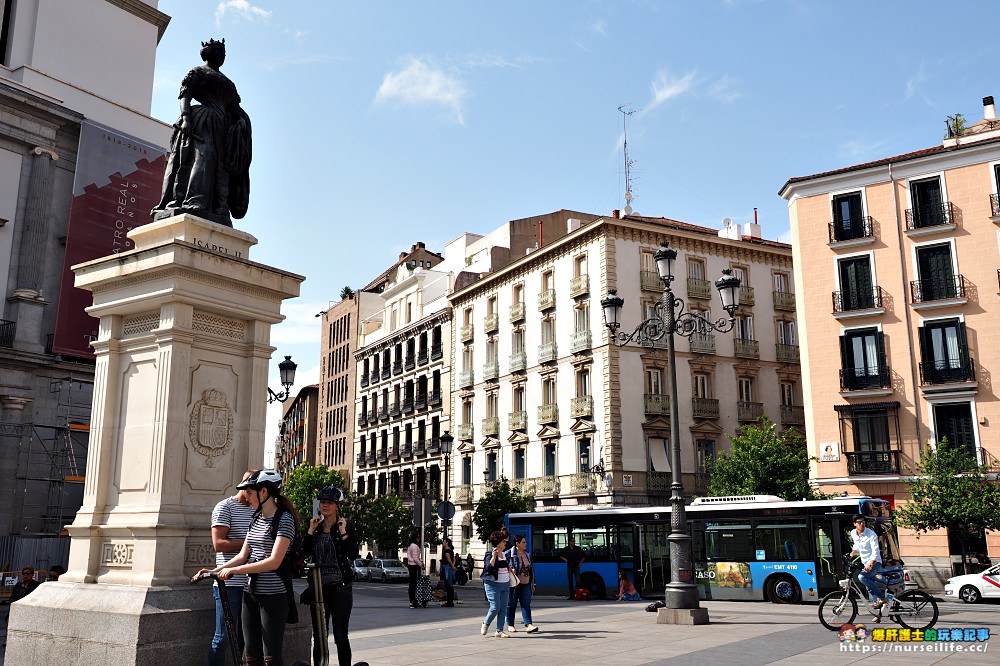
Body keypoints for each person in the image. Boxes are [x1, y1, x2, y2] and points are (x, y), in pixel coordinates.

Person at [196, 469, 298, 665]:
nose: (247, 496)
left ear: (265, 492)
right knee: (251, 656)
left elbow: (274, 561)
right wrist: (214, 571)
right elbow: (244, 555)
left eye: (250, 492)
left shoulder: (284, 519)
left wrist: (235, 571)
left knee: (271, 657)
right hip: (250, 592)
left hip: (274, 595)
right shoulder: (255, 519)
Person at [153, 38, 251, 227]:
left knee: (222, 167)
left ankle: (218, 207)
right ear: (208, 53)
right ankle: (194, 200)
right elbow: (185, 95)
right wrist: (186, 117)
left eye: (223, 52)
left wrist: (241, 122)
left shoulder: (228, 82)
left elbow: (234, 108)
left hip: (223, 127)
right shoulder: (198, 72)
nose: (222, 55)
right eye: (219, 51)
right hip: (202, 121)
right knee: (203, 157)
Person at [303, 485, 359, 666]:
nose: (325, 505)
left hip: (341, 588)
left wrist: (343, 533)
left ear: (337, 505)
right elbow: (303, 553)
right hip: (319, 589)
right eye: (322, 502)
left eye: (329, 502)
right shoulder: (316, 527)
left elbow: (353, 554)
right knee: (319, 635)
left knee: (341, 636)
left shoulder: (346, 526)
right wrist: (310, 531)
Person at [207, 468, 257, 666]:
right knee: (223, 637)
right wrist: (250, 542)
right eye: (255, 489)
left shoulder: (258, 509)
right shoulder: (225, 507)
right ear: (246, 488)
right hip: (229, 583)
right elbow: (219, 544)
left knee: (246, 637)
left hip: (252, 582)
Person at [848, 515, 886, 620]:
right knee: (869, 586)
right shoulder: (853, 533)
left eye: (863, 522)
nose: (862, 524)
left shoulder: (871, 534)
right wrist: (852, 553)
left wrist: (871, 564)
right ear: (854, 524)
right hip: (865, 564)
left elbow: (875, 551)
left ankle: (882, 597)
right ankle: (879, 613)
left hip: (875, 563)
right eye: (859, 522)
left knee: (862, 578)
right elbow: (856, 545)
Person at [480, 530, 514, 638]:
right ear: (498, 542)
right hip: (492, 585)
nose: (505, 543)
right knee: (495, 607)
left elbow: (506, 567)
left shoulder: (505, 555)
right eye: (504, 541)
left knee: (503, 608)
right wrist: (494, 558)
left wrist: (511, 570)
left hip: (505, 584)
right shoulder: (490, 553)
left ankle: (499, 631)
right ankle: (486, 623)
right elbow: (488, 568)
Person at [505, 534, 538, 633]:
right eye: (523, 542)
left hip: (526, 583)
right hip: (514, 584)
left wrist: (533, 583)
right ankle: (510, 624)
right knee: (512, 604)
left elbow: (531, 570)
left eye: (525, 542)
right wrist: (510, 570)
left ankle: (529, 624)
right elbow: (502, 567)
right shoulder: (509, 554)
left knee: (526, 604)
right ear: (517, 543)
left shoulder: (527, 554)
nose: (526, 544)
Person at [405, 531, 424, 608]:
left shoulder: (410, 546)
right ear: (416, 538)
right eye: (418, 537)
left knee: (412, 584)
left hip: (410, 565)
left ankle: (412, 601)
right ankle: (413, 601)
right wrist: (421, 565)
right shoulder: (414, 546)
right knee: (414, 584)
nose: (419, 539)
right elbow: (416, 558)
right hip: (414, 566)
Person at [438, 537, 457, 607]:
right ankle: (450, 601)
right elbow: (454, 559)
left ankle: (449, 601)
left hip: (447, 568)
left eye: (444, 542)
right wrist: (453, 566)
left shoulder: (446, 551)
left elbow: (449, 560)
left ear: (447, 543)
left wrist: (452, 566)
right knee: (450, 584)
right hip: (449, 568)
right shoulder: (451, 550)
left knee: (448, 585)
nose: (443, 543)